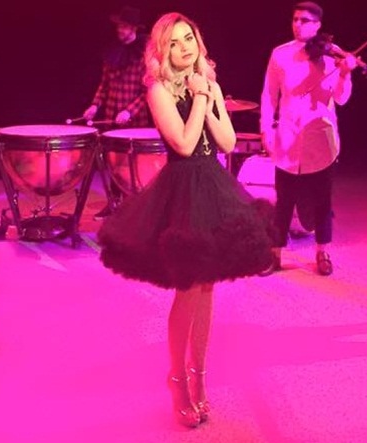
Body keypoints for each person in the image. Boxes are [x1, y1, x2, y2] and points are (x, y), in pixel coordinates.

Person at [98, 12, 273, 427]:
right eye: (173, 42)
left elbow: (227, 142)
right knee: (189, 288)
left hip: (213, 185)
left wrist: (208, 96)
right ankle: (176, 378)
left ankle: (200, 375)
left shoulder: (208, 84)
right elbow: (183, 142)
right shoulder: (158, 90)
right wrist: (197, 98)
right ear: (162, 50)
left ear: (198, 41)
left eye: (188, 38)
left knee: (208, 287)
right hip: (183, 190)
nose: (184, 48)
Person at [259, 1, 357, 276]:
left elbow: (341, 98)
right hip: (287, 137)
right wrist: (266, 129)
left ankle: (322, 251)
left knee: (322, 201)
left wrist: (345, 74)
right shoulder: (280, 54)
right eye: (295, 19)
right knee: (284, 201)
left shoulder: (332, 56)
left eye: (305, 20)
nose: (298, 24)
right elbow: (269, 95)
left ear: (318, 25)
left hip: (321, 139)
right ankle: (275, 254)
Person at [83, 5, 151, 220]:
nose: (119, 30)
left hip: (135, 121)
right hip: (112, 117)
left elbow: (148, 90)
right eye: (118, 26)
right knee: (113, 162)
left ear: (133, 28)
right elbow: (104, 85)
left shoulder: (144, 55)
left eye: (124, 26)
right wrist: (94, 106)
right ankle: (113, 203)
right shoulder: (112, 53)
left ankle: (135, 206)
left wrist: (129, 112)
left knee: (132, 164)